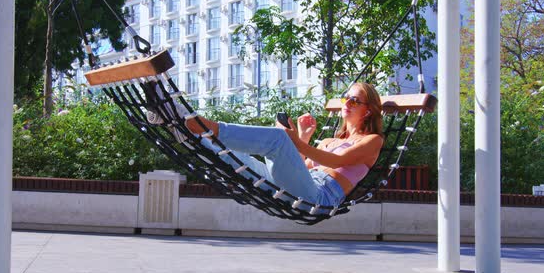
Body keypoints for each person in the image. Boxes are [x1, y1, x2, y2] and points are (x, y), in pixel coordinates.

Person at [147, 82, 384, 211]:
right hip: (300, 186)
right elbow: (297, 169)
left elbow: (339, 162)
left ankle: (197, 124)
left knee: (278, 140)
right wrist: (304, 137)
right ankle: (182, 128)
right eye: (346, 98)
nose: (347, 103)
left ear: (369, 110)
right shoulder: (329, 141)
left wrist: (294, 141)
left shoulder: (372, 141)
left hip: (320, 198)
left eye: (355, 100)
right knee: (236, 157)